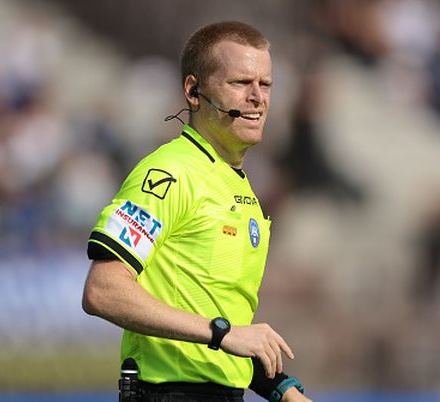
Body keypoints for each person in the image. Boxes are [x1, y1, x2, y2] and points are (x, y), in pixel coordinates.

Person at [82, 21, 312, 402]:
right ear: (193, 90)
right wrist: (223, 332)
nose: (257, 97)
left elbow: (217, 325)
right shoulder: (168, 174)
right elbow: (102, 290)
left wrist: (279, 387)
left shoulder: (237, 186)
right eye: (240, 83)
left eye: (266, 84)